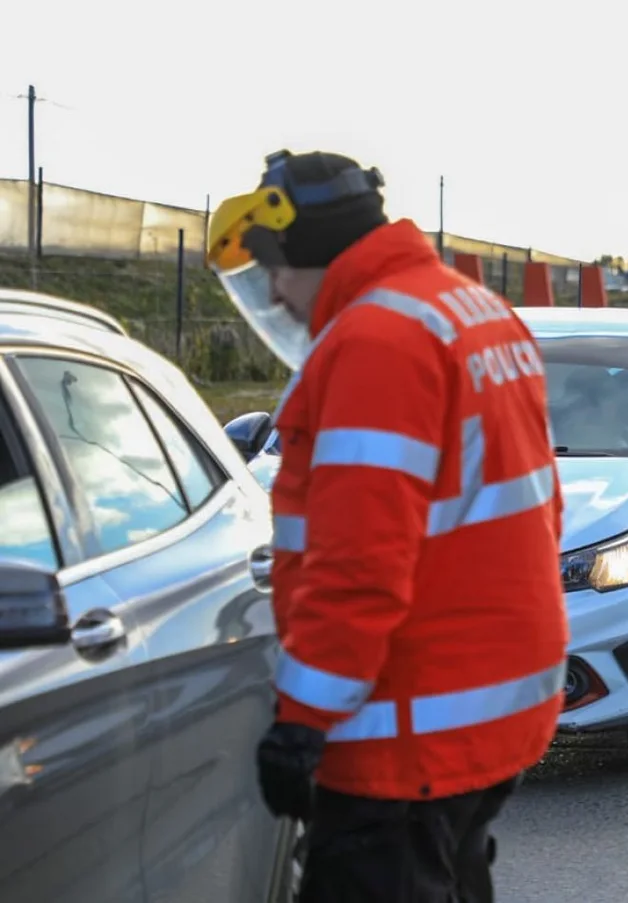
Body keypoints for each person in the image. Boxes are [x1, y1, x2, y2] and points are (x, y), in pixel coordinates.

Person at [206, 149, 569, 902]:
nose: (271, 288)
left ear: (305, 247)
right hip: (491, 705)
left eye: (272, 266)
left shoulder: (376, 341)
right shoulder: (470, 309)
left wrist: (303, 720)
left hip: (408, 730)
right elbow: (538, 508)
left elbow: (358, 564)